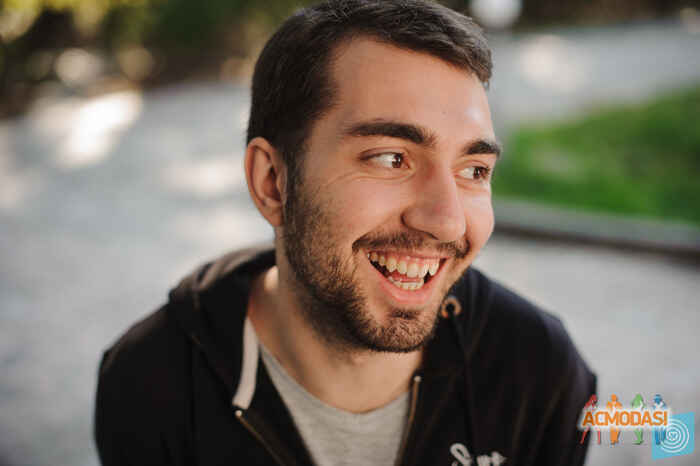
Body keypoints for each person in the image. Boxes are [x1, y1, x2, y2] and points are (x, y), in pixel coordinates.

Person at [94, 1, 596, 465]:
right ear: (272, 182)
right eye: (390, 158)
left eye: (474, 170)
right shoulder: (152, 385)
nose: (447, 221)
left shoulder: (540, 372)